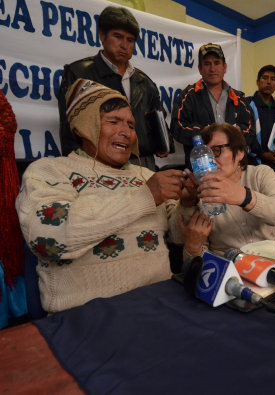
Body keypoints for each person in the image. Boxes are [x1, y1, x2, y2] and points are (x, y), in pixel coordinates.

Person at [16, 79, 185, 313]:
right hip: (84, 318)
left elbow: (178, 235)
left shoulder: (144, 174)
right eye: (113, 122)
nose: (126, 132)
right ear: (81, 126)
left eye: (131, 125)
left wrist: (188, 203)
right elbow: (48, 238)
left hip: (157, 304)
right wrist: (145, 196)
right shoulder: (49, 171)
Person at [57, 6, 167, 171]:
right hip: (97, 165)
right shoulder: (78, 73)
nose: (124, 45)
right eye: (118, 37)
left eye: (130, 40)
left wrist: (163, 143)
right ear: (102, 36)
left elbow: (158, 121)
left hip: (142, 164)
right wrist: (77, 170)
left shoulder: (146, 83)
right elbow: (69, 132)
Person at [176, 123, 275, 258]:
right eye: (204, 155)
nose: (210, 160)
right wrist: (187, 203)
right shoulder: (201, 191)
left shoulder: (260, 173)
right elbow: (180, 240)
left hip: (272, 262)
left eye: (217, 150)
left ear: (240, 152)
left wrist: (243, 196)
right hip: (231, 268)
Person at [170, 43, 255, 168]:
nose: (212, 69)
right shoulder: (188, 96)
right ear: (200, 68)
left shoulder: (239, 99)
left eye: (216, 63)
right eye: (207, 64)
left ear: (224, 67)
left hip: (234, 169)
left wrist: (237, 134)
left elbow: (251, 131)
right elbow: (177, 128)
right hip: (200, 170)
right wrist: (204, 133)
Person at [246, 65, 275, 176]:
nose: (269, 82)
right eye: (265, 78)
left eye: (273, 79)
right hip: (253, 167)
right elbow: (246, 135)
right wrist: (262, 154)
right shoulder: (247, 104)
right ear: (257, 82)